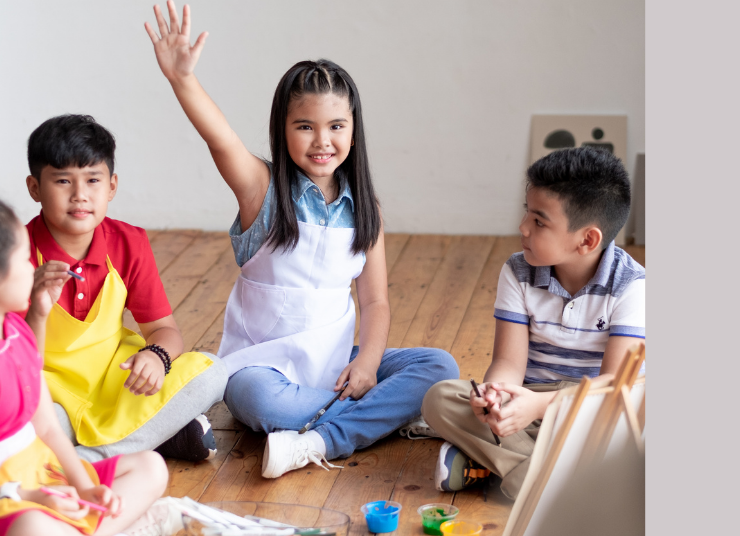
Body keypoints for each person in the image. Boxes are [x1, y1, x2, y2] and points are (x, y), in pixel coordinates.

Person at [145, 1, 459, 479]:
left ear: (353, 129)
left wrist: (369, 364)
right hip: (264, 371)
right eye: (305, 126)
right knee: (260, 402)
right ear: (283, 129)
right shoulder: (261, 189)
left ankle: (322, 433)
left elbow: (375, 302)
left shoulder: (366, 210)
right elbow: (220, 139)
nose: (322, 141)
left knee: (439, 366)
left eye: (336, 126)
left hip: (334, 367)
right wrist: (181, 79)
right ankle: (379, 418)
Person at [0, 186, 180, 536]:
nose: (32, 267)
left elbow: (47, 427)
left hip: (31, 473)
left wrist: (83, 486)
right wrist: (25, 496)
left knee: (150, 467)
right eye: (24, 257)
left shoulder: (18, 331)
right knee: (33, 527)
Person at [421, 147, 645, 499]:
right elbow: (509, 362)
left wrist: (539, 408)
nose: (522, 227)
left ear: (587, 240)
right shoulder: (518, 270)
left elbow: (613, 388)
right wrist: (496, 397)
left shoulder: (631, 286)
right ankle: (559, 484)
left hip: (592, 406)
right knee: (440, 398)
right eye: (527, 213)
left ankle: (505, 467)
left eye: (539, 221)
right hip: (529, 398)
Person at [23, 114, 228, 463]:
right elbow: (10, 361)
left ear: (112, 187)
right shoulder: (16, 252)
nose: (80, 196)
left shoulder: (129, 242)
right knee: (26, 425)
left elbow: (165, 331)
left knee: (212, 371)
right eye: (62, 181)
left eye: (92, 180)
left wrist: (155, 357)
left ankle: (91, 459)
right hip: (48, 389)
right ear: (35, 189)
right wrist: (36, 310)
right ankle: (154, 439)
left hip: (117, 381)